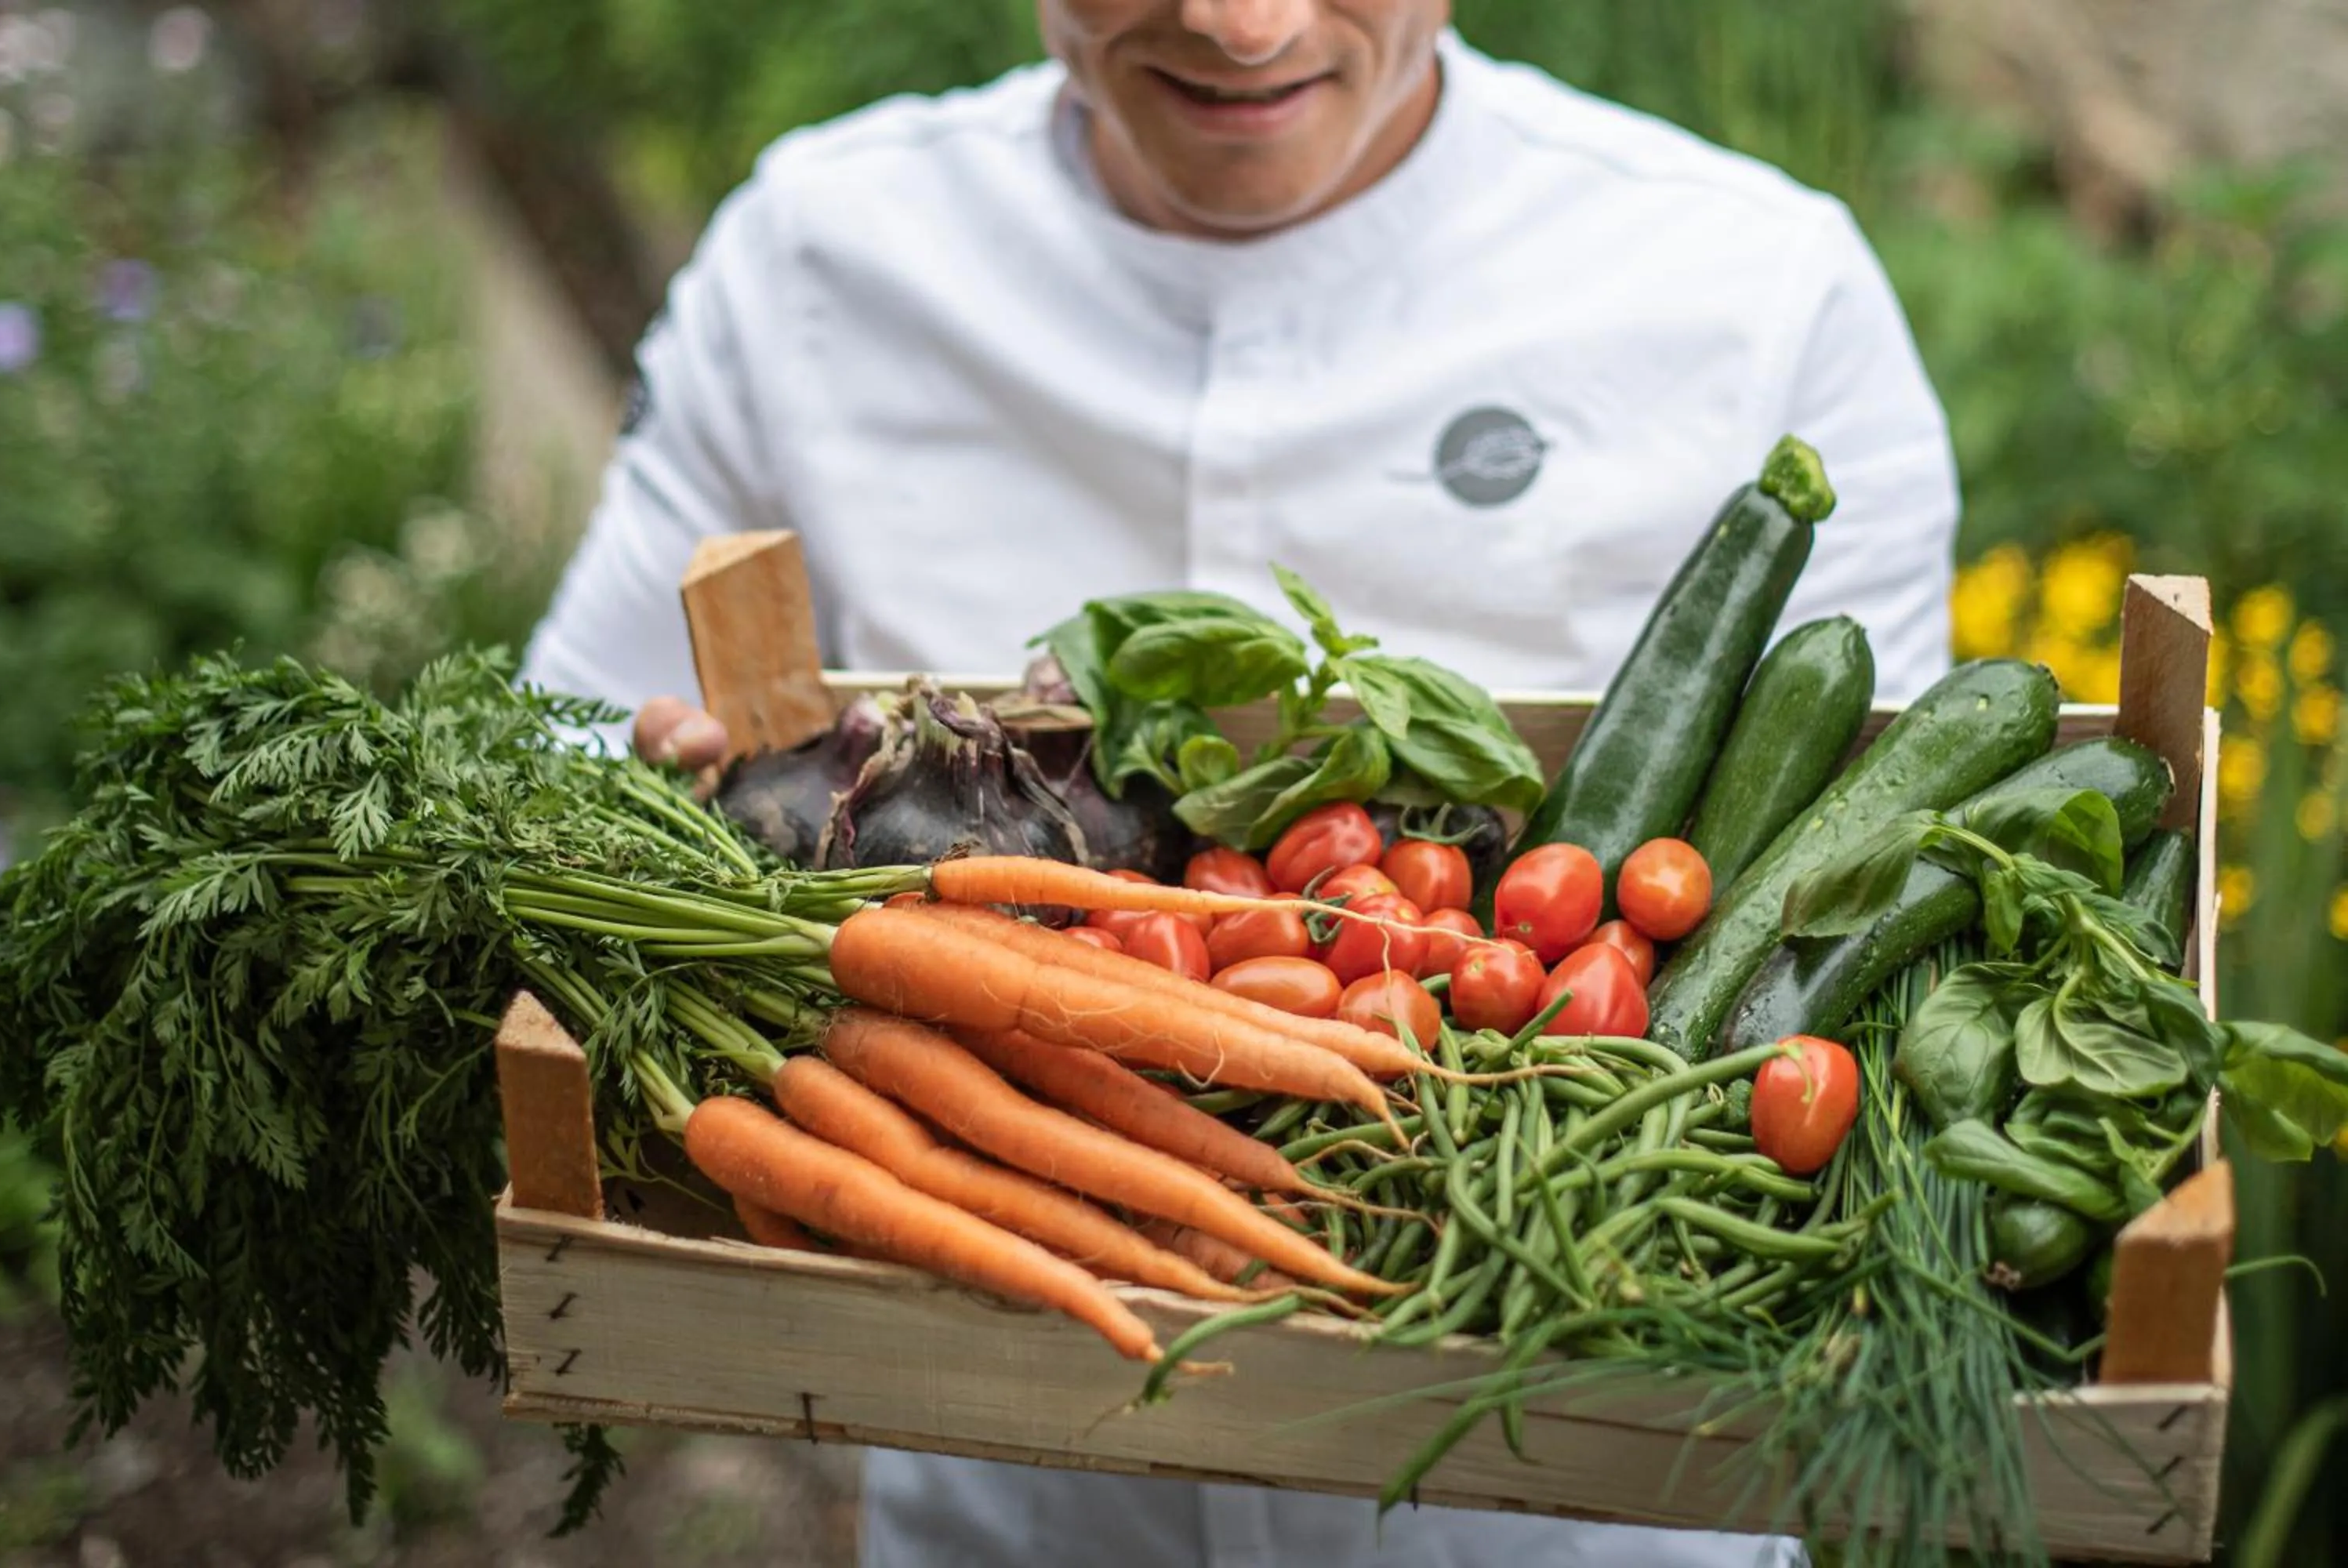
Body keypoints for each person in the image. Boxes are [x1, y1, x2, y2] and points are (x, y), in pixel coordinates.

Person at [519, 3, 1958, 1563]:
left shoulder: (1760, 290)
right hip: (1016, 1490)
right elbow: (561, 731)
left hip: (1585, 1504)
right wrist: (644, 805)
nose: (1240, 23)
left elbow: (1842, 902)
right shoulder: (813, 262)